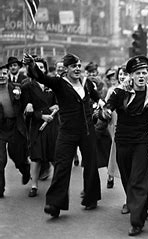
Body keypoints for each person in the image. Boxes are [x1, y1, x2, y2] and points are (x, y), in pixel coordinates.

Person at [24, 53, 102, 218]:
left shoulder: (86, 83)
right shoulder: (59, 83)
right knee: (61, 165)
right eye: (74, 66)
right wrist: (31, 65)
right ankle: (54, 204)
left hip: (87, 130)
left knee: (91, 163)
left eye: (79, 66)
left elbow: (97, 98)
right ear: (66, 69)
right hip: (67, 132)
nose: (77, 69)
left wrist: (105, 106)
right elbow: (41, 76)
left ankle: (91, 198)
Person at [103, 56, 148, 236]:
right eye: (137, 73)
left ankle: (136, 221)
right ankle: (141, 205)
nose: (141, 76)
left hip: (142, 141)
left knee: (138, 179)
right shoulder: (120, 92)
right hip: (122, 140)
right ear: (130, 75)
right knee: (128, 178)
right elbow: (109, 106)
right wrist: (105, 112)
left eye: (144, 73)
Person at [21, 58, 59, 197]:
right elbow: (27, 110)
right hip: (38, 125)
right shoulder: (27, 87)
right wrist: (41, 116)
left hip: (53, 124)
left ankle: (58, 184)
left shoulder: (52, 86)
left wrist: (56, 106)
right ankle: (34, 185)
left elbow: (58, 102)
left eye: (42, 67)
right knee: (36, 157)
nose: (40, 70)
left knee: (55, 155)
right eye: (36, 67)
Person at [0, 65, 31, 197]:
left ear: (7, 75)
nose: (1, 76)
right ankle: (0, 189)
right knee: (0, 160)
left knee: (17, 155)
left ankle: (25, 169)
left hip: (15, 126)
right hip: (0, 128)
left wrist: (29, 104)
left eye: (4, 73)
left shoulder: (16, 88)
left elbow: (27, 99)